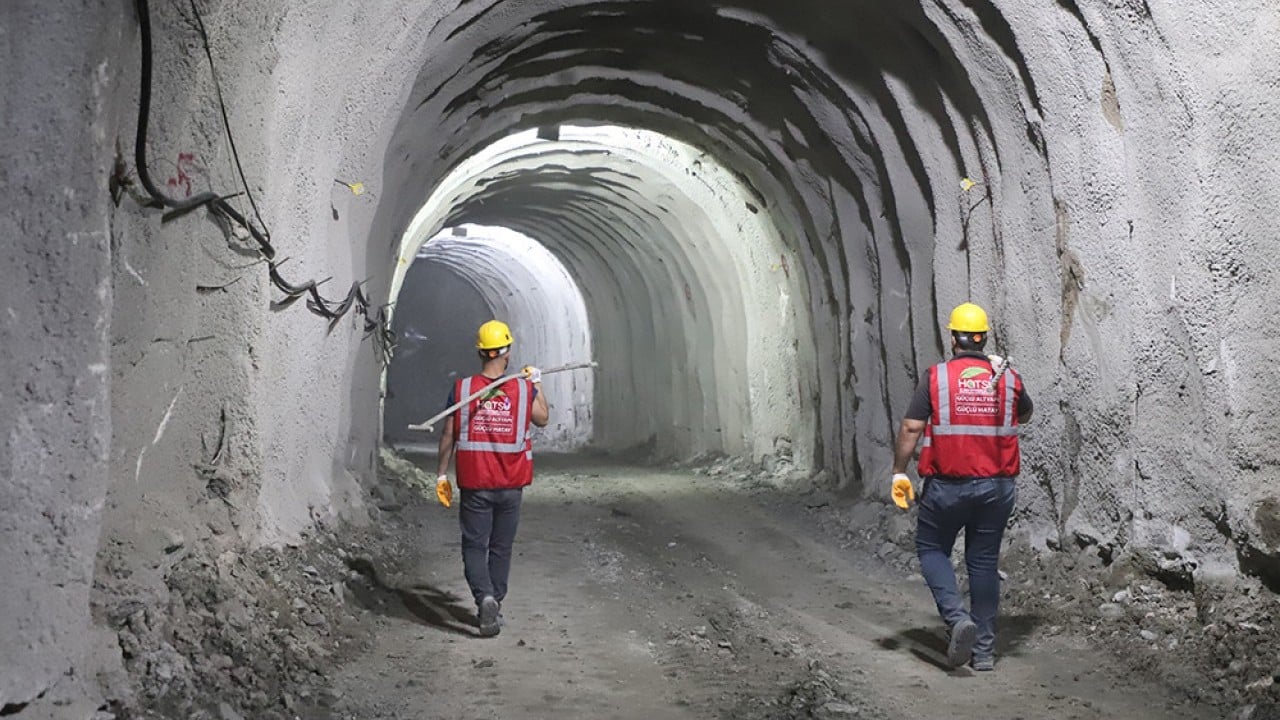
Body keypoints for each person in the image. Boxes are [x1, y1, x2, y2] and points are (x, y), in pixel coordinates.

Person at [890, 302, 1033, 671]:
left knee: (931, 547)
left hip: (948, 487)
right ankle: (983, 652)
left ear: (953, 338)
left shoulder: (936, 378)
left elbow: (911, 427)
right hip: (997, 488)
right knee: (983, 563)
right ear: (984, 339)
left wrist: (899, 471)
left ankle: (957, 619)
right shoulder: (1007, 378)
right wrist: (1002, 377)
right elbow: (1025, 414)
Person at [436, 320, 549, 637]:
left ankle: (484, 597)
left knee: (475, 545)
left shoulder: (463, 390)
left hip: (475, 484)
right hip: (511, 483)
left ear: (481, 352)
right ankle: (494, 602)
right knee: (501, 547)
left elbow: (448, 435)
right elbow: (543, 418)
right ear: (506, 352)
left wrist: (441, 473)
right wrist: (537, 383)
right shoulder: (523, 389)